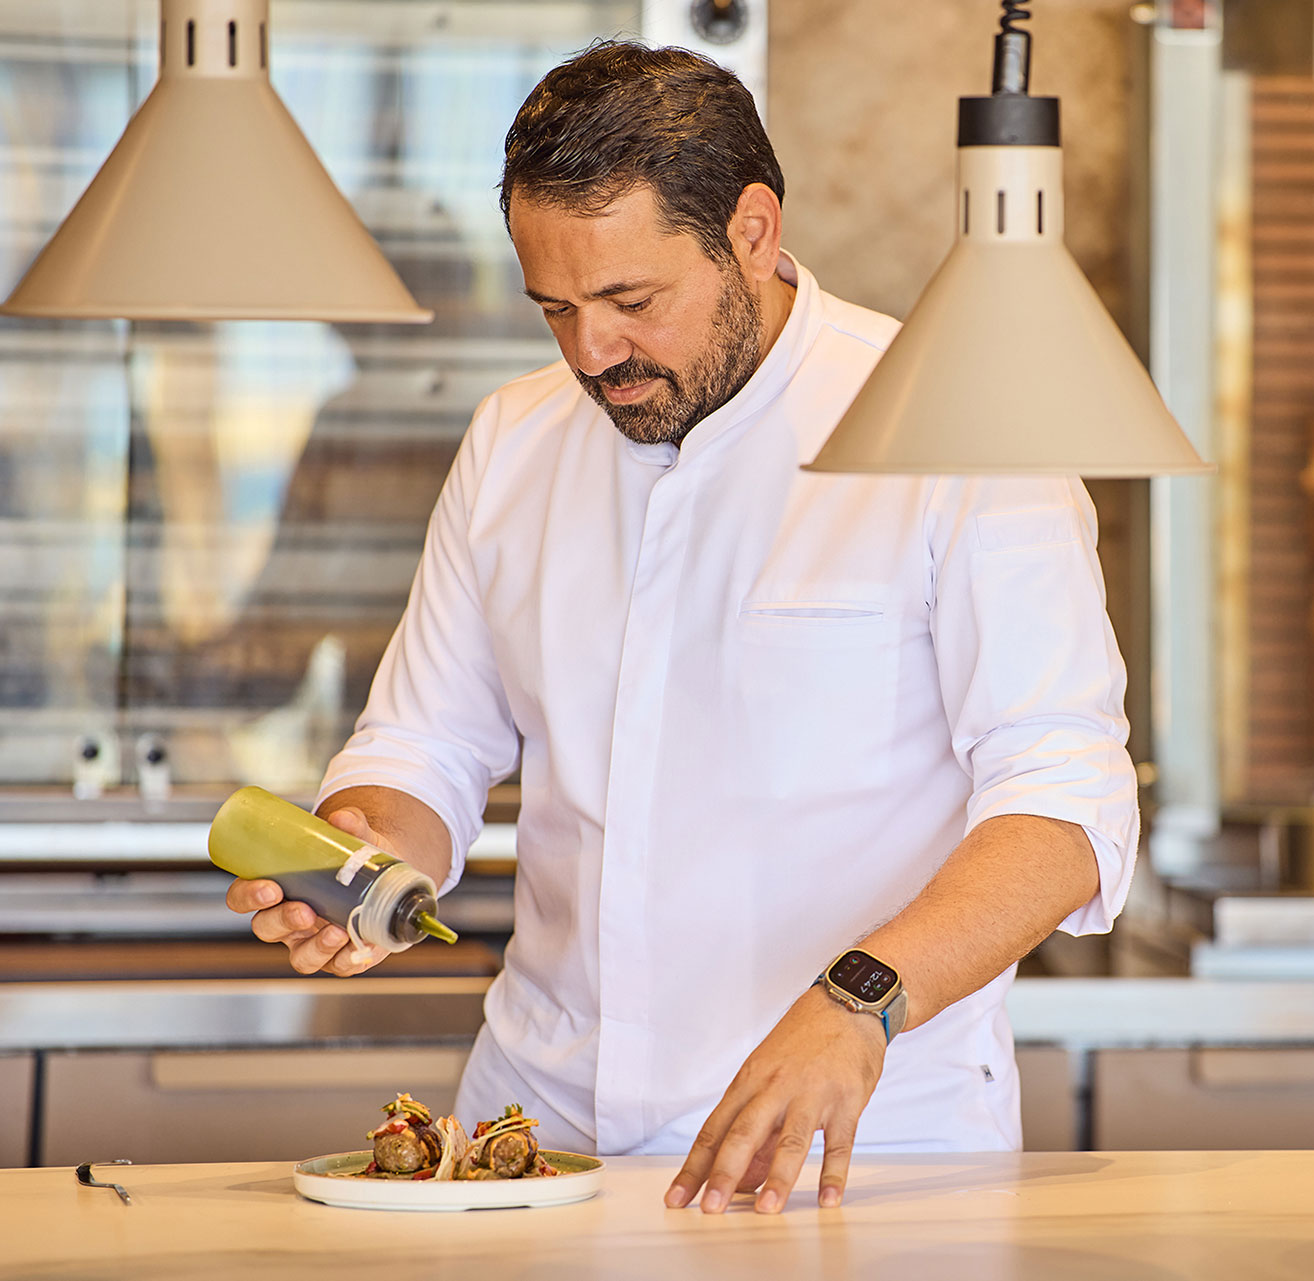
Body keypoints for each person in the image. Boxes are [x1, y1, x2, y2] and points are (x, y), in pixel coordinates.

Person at [223, 42, 1137, 1216]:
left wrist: (859, 999)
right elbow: (428, 749)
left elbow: (1064, 806)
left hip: (860, 1154)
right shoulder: (514, 441)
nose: (590, 352)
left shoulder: (949, 425)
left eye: (631, 301)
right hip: (539, 1144)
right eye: (555, 306)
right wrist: (362, 863)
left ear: (752, 230)